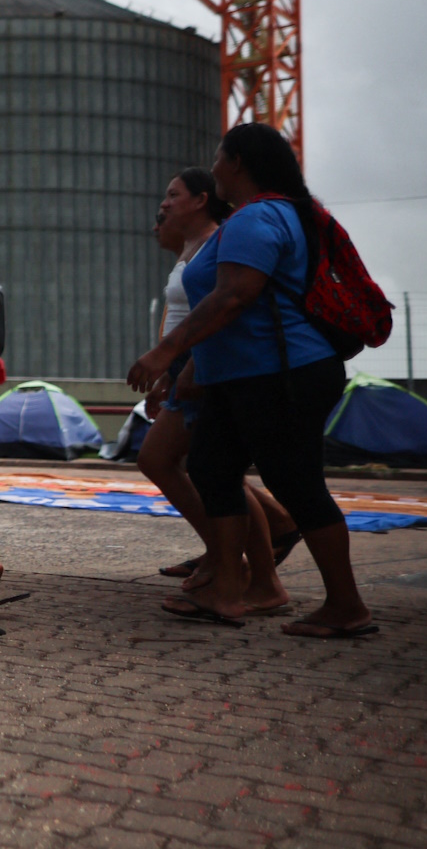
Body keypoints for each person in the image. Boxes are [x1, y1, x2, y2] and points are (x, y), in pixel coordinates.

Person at [127, 123, 374, 638]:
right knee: (214, 469)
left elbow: (234, 296)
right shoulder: (270, 216)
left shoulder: (258, 218)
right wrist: (192, 373)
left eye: (218, 157)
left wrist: (165, 352)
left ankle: (346, 605)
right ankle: (233, 590)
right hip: (242, 376)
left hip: (280, 374)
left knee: (297, 485)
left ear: (236, 163)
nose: (213, 166)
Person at [138, 171, 297, 605]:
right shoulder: (193, 248)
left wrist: (181, 369)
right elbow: (181, 314)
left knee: (207, 468)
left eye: (173, 195)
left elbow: (219, 309)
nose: (164, 206)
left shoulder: (217, 242)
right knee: (203, 467)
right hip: (188, 366)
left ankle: (246, 567)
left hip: (204, 366)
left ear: (200, 200)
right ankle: (234, 560)